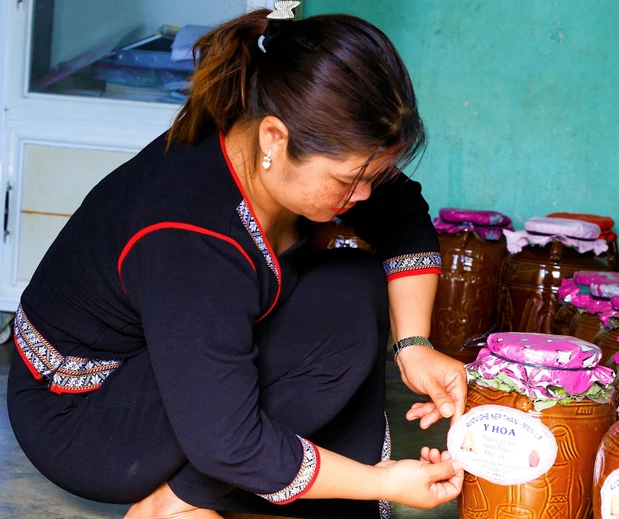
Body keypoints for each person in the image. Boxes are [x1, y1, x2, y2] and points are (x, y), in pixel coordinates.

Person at [7, 7, 467, 519]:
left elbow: (401, 212)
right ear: (275, 137)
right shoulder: (189, 236)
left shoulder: (287, 146)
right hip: (88, 416)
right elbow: (229, 442)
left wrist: (414, 347)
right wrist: (380, 480)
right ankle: (174, 505)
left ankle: (240, 487)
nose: (363, 194)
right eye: (348, 180)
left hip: (169, 366)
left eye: (373, 176)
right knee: (326, 339)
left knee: (353, 289)